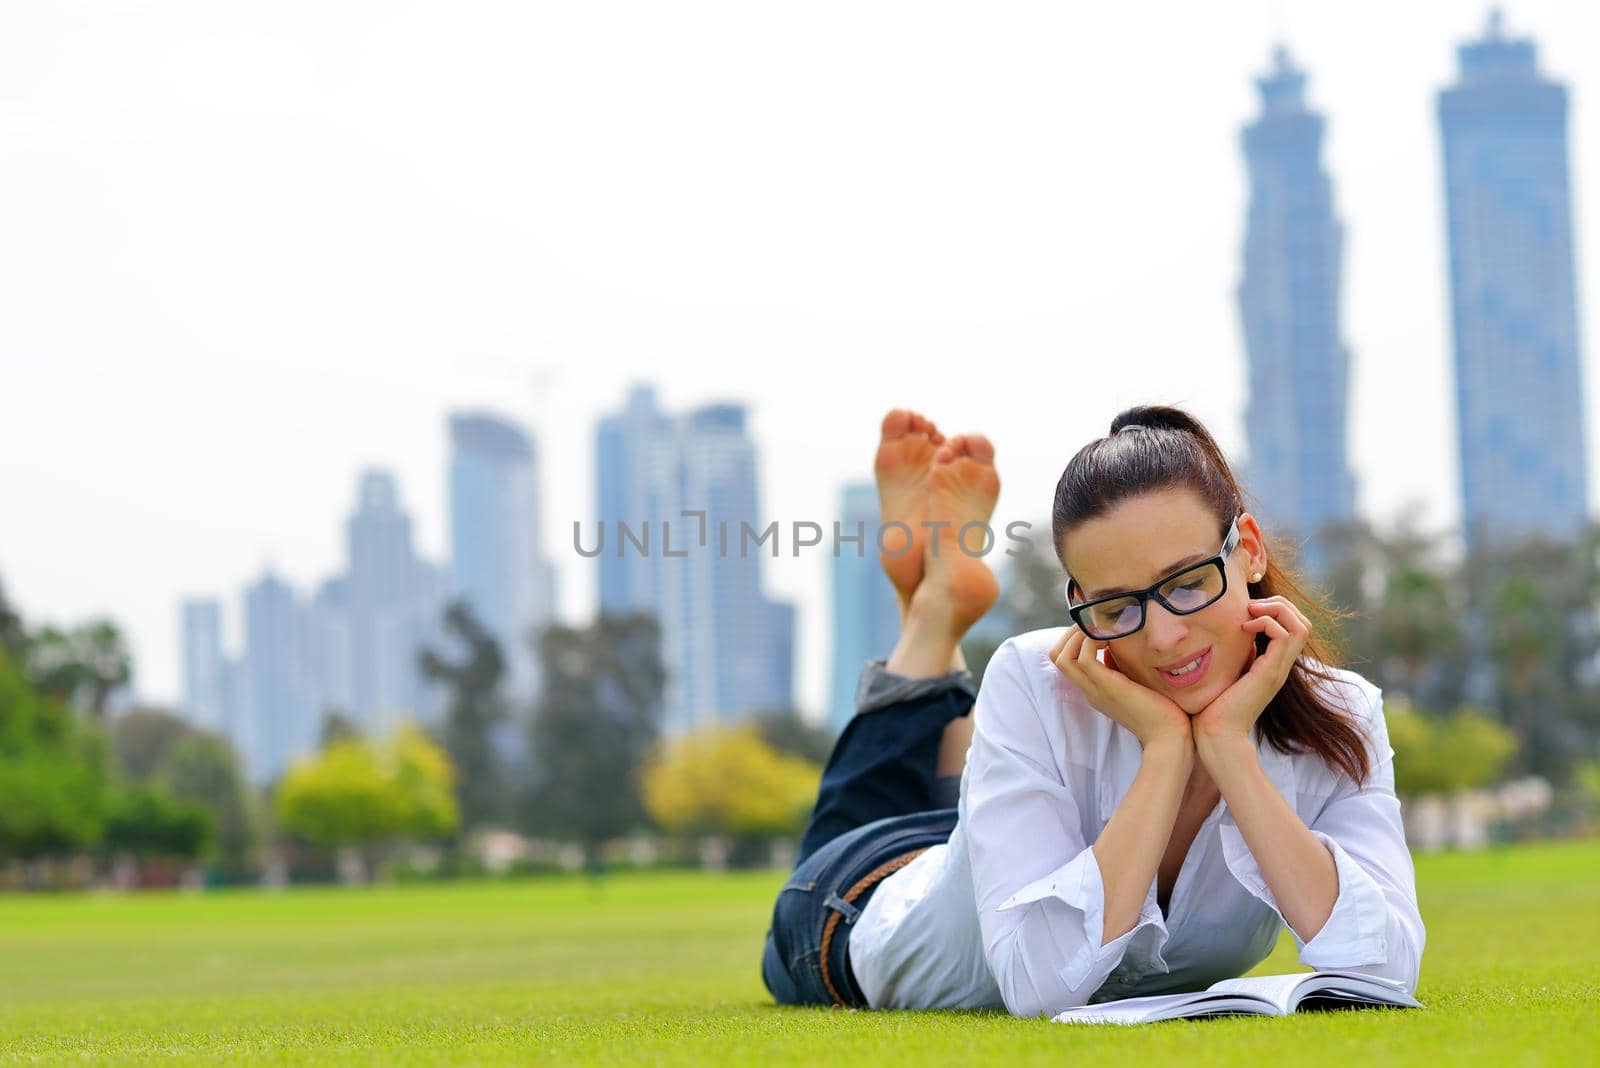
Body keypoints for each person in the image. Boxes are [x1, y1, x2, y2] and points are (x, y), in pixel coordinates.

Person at [760, 404, 1425, 1018]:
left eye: (1189, 583)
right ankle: (930, 617)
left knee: (968, 820)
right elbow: (1037, 988)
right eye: (1117, 607)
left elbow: (1384, 967)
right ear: (1078, 600)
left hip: (975, 849)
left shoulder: (1343, 716)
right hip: (856, 900)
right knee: (850, 830)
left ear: (1248, 549)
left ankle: (930, 599)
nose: (1165, 637)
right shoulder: (1035, 678)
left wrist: (1228, 747)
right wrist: (1166, 750)